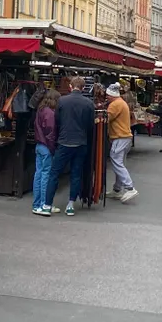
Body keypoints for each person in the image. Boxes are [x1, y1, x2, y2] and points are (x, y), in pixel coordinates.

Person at [45, 76, 95, 217]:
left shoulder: (62, 101)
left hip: (64, 141)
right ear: (83, 88)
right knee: (76, 174)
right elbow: (90, 125)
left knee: (54, 173)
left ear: (70, 87)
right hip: (80, 142)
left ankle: (47, 204)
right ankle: (70, 205)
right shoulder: (89, 103)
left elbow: (57, 120)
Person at [105, 84, 138, 202]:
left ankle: (130, 188)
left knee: (116, 161)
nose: (106, 97)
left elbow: (106, 118)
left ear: (112, 95)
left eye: (107, 95)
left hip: (120, 137)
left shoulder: (115, 104)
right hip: (125, 137)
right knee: (120, 163)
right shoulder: (121, 102)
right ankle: (117, 189)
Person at [32, 89, 60, 217]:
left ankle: (36, 204)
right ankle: (44, 204)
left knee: (38, 175)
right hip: (46, 146)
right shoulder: (50, 113)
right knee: (45, 176)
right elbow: (50, 133)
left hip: (39, 145)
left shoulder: (41, 110)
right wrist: (53, 148)